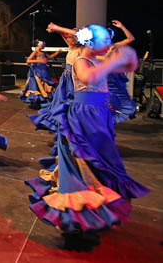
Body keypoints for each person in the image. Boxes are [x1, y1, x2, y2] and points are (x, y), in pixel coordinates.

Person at [25, 25, 148, 244]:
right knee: (81, 163)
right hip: (83, 119)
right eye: (104, 41)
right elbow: (88, 77)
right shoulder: (82, 62)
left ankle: (92, 209)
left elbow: (129, 66)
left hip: (99, 117)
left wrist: (127, 59)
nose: (108, 45)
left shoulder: (97, 60)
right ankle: (75, 216)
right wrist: (113, 61)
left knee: (100, 163)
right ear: (90, 43)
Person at [29, 23, 81, 134]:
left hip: (75, 79)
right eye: (70, 37)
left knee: (72, 102)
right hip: (66, 78)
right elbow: (64, 35)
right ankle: (62, 123)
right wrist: (56, 30)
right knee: (59, 101)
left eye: (72, 37)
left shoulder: (81, 50)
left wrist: (57, 28)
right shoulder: (71, 47)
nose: (69, 39)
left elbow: (75, 34)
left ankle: (72, 123)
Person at [101, 20, 137, 123]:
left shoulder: (114, 46)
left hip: (113, 75)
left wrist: (122, 26)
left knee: (116, 94)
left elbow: (131, 38)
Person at [18, 41, 60, 109]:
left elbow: (50, 57)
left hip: (43, 70)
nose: (44, 46)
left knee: (45, 84)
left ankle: (44, 100)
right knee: (37, 84)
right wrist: (39, 61)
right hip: (37, 71)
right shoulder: (35, 52)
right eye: (43, 44)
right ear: (39, 45)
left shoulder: (43, 52)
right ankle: (36, 101)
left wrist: (57, 52)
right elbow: (28, 60)